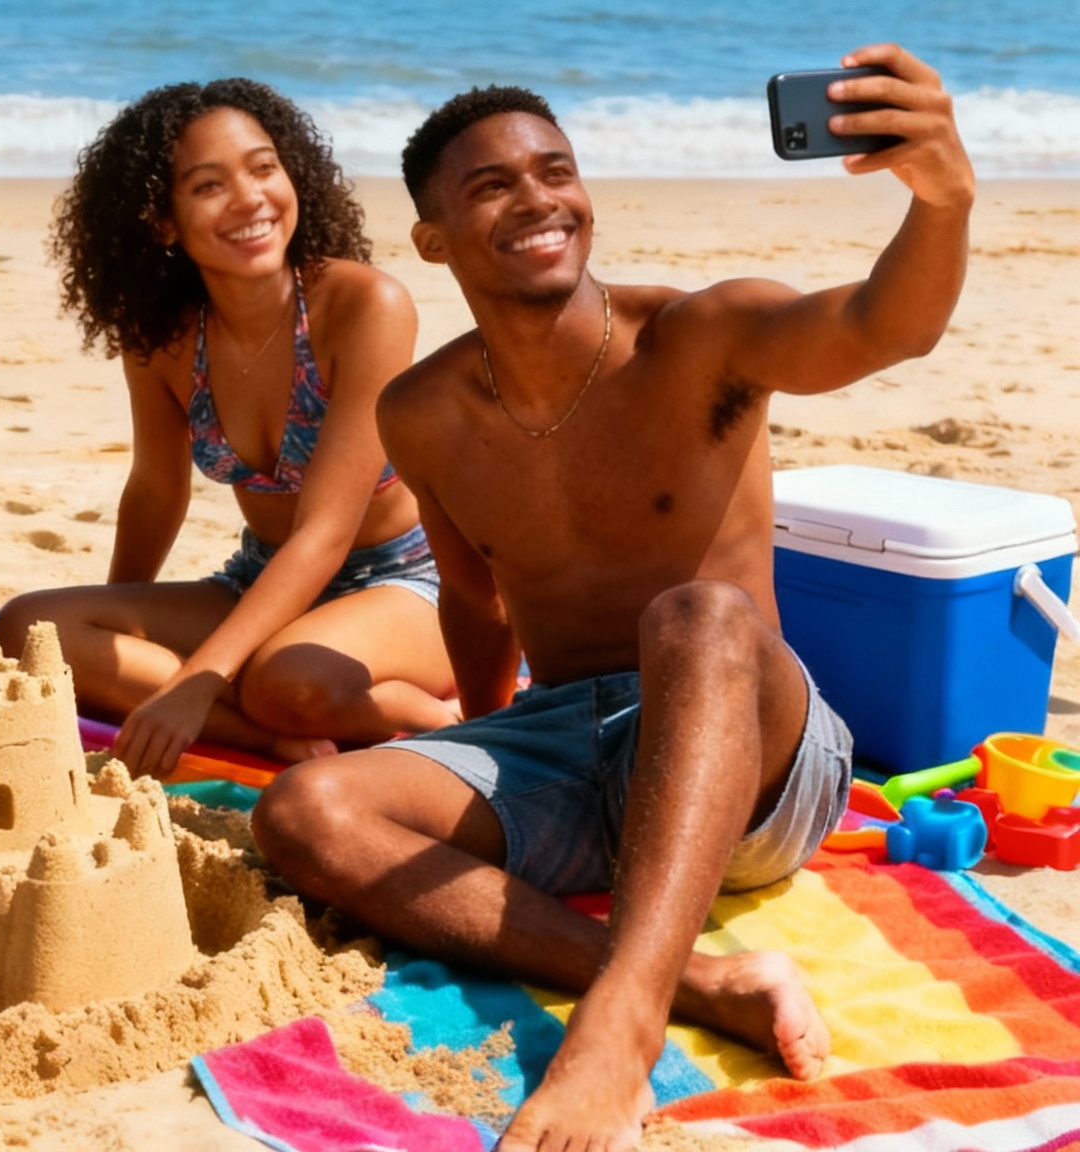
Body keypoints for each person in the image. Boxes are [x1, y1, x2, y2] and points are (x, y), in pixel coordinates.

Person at [252, 44, 971, 1152]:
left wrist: (941, 197)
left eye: (554, 170)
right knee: (305, 814)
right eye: (491, 185)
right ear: (430, 241)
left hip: (749, 754)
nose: (536, 198)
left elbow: (887, 324)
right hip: (567, 752)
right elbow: (474, 603)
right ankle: (702, 981)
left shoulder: (701, 337)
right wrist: (471, 748)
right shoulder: (422, 411)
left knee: (696, 616)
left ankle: (619, 1024)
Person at [0, 79, 454, 777]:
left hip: (406, 581)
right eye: (209, 186)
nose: (251, 200)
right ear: (162, 221)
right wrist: (114, 622)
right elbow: (154, 491)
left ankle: (412, 712)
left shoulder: (365, 304)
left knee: (285, 680)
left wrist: (193, 680)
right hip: (259, 578)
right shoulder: (164, 338)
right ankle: (266, 736)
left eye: (265, 168)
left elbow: (326, 532)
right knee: (34, 629)